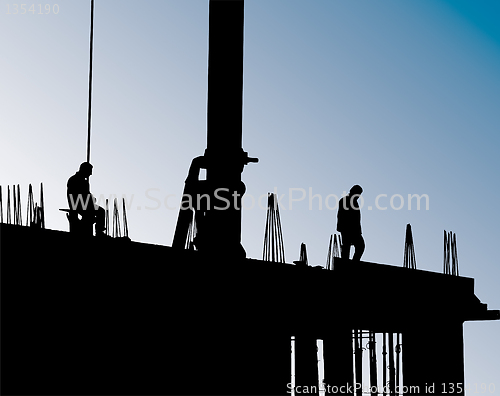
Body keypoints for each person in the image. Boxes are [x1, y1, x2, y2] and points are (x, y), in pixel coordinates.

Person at [67, 162, 106, 237]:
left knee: (99, 211)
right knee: (100, 212)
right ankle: (99, 232)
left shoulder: (82, 181)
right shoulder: (76, 180)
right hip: (78, 205)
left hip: (83, 204)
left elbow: (86, 194)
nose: (90, 174)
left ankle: (98, 231)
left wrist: (91, 198)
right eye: (90, 171)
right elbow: (80, 194)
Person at [337, 185, 365, 261]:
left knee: (359, 246)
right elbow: (341, 215)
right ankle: (346, 264)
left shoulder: (354, 202)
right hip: (347, 229)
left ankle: (354, 262)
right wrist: (342, 228)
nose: (359, 196)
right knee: (347, 246)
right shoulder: (344, 201)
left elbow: (357, 219)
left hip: (354, 230)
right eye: (358, 193)